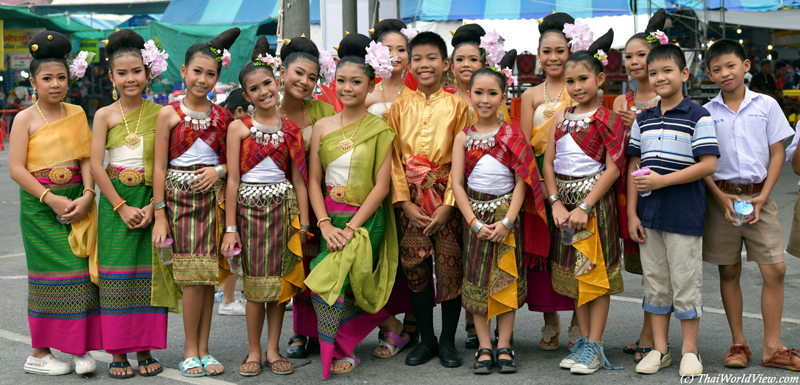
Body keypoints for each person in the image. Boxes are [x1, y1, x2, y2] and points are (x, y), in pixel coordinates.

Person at [304, 33, 398, 378]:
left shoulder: (380, 129)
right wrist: (326, 224)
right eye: (341, 80)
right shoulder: (321, 127)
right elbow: (314, 180)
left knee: (343, 280)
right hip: (329, 216)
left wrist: (351, 228)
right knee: (324, 281)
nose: (347, 87)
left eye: (356, 81)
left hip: (365, 219)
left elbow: (382, 186)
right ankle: (391, 325)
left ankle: (345, 350)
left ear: (370, 84)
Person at [702, 39, 799, 371]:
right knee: (728, 270)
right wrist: (719, 196)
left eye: (731, 65)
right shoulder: (706, 113)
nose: (725, 73)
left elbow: (776, 154)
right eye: (717, 69)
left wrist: (762, 196)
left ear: (746, 65)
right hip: (722, 199)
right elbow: (703, 162)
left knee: (775, 269)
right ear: (709, 75)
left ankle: (773, 347)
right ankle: (738, 343)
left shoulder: (767, 105)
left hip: (761, 197)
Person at [151, 27, 240, 377]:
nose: (202, 79)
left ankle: (205, 349)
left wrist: (218, 171)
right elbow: (159, 166)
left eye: (211, 74)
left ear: (219, 77)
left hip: (212, 203)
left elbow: (235, 162)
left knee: (207, 279)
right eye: (197, 72)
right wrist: (160, 215)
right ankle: (190, 349)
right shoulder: (168, 114)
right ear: (184, 71)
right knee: (191, 279)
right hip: (178, 203)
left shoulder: (223, 117)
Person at [9, 31, 100, 376]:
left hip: (77, 203)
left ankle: (78, 348)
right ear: (33, 82)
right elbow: (16, 169)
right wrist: (50, 198)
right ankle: (39, 353)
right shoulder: (24, 119)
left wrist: (88, 195)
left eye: (61, 77)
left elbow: (87, 161)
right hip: (40, 208)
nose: (55, 84)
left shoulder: (76, 112)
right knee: (48, 278)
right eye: (47, 78)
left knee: (80, 277)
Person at [451, 60, 549, 374]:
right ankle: (483, 346)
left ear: (504, 96)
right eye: (478, 92)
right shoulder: (462, 138)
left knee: (505, 281)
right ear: (468, 94)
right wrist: (473, 222)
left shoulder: (513, 135)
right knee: (478, 283)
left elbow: (523, 180)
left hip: (508, 217)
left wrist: (507, 221)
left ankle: (504, 344)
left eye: (492, 93)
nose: (484, 99)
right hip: (474, 219)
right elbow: (456, 183)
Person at [628, 44, 719, 377]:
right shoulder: (643, 119)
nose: (659, 77)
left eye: (667, 71)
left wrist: (663, 182)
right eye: (653, 73)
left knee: (686, 282)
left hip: (684, 215)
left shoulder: (699, 115)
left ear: (684, 74)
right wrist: (632, 214)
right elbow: (633, 166)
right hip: (649, 216)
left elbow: (708, 164)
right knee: (655, 283)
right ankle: (660, 349)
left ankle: (690, 351)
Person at [221, 36, 310, 377]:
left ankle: (274, 348)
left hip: (284, 213)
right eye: (254, 89)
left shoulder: (291, 130)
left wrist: (302, 225)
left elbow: (299, 180)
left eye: (267, 84)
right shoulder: (238, 129)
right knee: (256, 287)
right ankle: (254, 348)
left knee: (281, 285)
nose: (263, 92)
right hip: (249, 213)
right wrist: (230, 228)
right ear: (247, 95)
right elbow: (232, 180)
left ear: (277, 82)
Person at [544, 28, 626, 375]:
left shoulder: (607, 119)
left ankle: (595, 343)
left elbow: (614, 167)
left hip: (594, 209)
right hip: (563, 206)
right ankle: (583, 341)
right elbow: (548, 163)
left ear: (600, 78)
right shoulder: (561, 117)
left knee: (595, 275)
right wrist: (555, 203)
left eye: (583, 79)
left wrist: (585, 205)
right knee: (576, 276)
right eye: (570, 80)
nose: (577, 86)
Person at [387, 31, 471, 368]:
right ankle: (426, 340)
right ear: (410, 62)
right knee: (416, 270)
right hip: (410, 198)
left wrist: (450, 202)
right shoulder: (398, 106)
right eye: (417, 58)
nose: (424, 65)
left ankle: (449, 342)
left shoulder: (458, 106)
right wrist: (404, 202)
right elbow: (391, 158)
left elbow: (463, 156)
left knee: (450, 269)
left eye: (432, 58)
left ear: (446, 64)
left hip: (447, 197)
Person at [90, 28, 169, 379]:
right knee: (117, 279)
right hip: (114, 205)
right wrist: (120, 206)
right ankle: (119, 353)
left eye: (136, 71)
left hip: (151, 202)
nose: (130, 78)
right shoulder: (104, 115)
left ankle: (145, 349)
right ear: (111, 77)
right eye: (122, 73)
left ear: (149, 73)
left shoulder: (162, 113)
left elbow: (163, 164)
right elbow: (95, 164)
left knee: (149, 278)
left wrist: (155, 205)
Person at [519, 12, 580, 352]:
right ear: (538, 54)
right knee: (544, 252)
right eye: (547, 51)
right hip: (541, 180)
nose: (553, 57)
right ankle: (550, 319)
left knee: (576, 249)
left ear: (571, 50)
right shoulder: (530, 95)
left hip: (579, 177)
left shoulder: (581, 87)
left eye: (560, 50)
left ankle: (577, 321)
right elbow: (526, 145)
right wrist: (541, 184)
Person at [611, 9, 667, 363]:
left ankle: (650, 337)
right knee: (644, 267)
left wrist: (644, 124)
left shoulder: (667, 101)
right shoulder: (620, 102)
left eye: (641, 55)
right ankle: (648, 333)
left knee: (657, 266)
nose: (634, 62)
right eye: (628, 56)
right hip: (627, 190)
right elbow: (617, 151)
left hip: (661, 187)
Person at [278, 35, 337, 359]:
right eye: (299, 73)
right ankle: (298, 330)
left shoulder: (323, 110)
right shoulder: (265, 108)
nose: (304, 81)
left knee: (315, 263)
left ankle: (319, 331)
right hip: (273, 202)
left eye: (312, 77)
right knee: (287, 265)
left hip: (316, 202)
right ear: (283, 71)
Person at [365, 19, 419, 359]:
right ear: (375, 54)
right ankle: (390, 324)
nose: (395, 55)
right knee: (377, 257)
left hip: (410, 186)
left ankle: (413, 323)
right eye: (388, 49)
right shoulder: (365, 94)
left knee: (411, 258)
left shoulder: (416, 97)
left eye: (402, 49)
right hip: (371, 185)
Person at [216, 87, 253, 317]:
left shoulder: (225, 126)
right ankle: (228, 299)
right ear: (240, 111)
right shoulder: (232, 129)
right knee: (233, 244)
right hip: (231, 192)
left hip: (231, 190)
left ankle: (227, 296)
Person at [449, 23, 512, 126]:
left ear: (484, 64)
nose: (466, 64)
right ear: (452, 68)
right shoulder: (447, 102)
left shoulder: (494, 102)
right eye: (460, 59)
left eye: (473, 59)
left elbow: (505, 136)